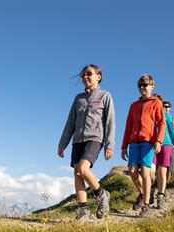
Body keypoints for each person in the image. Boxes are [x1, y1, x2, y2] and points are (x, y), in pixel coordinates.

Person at [58, 64, 115, 221]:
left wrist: (109, 145)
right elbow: (70, 122)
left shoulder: (105, 96)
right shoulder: (79, 98)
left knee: (83, 169)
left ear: (98, 77)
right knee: (77, 172)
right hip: (78, 140)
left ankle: (101, 194)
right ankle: (83, 210)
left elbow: (110, 122)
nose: (85, 77)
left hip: (95, 138)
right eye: (82, 75)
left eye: (89, 74)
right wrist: (63, 143)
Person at [121, 74, 165, 217]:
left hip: (148, 142)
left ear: (152, 86)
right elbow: (128, 126)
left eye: (145, 85)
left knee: (145, 171)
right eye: (139, 85)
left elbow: (161, 123)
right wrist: (123, 146)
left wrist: (158, 140)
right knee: (132, 171)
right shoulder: (133, 105)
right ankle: (142, 193)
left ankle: (146, 205)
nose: (142, 88)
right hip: (134, 142)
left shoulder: (156, 103)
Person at [153, 100, 174, 209]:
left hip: (168, 145)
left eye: (167, 106)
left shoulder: (170, 118)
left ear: (170, 108)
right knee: (155, 171)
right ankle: (155, 189)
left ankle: (161, 192)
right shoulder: (152, 113)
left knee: (166, 171)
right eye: (163, 106)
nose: (165, 108)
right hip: (153, 145)